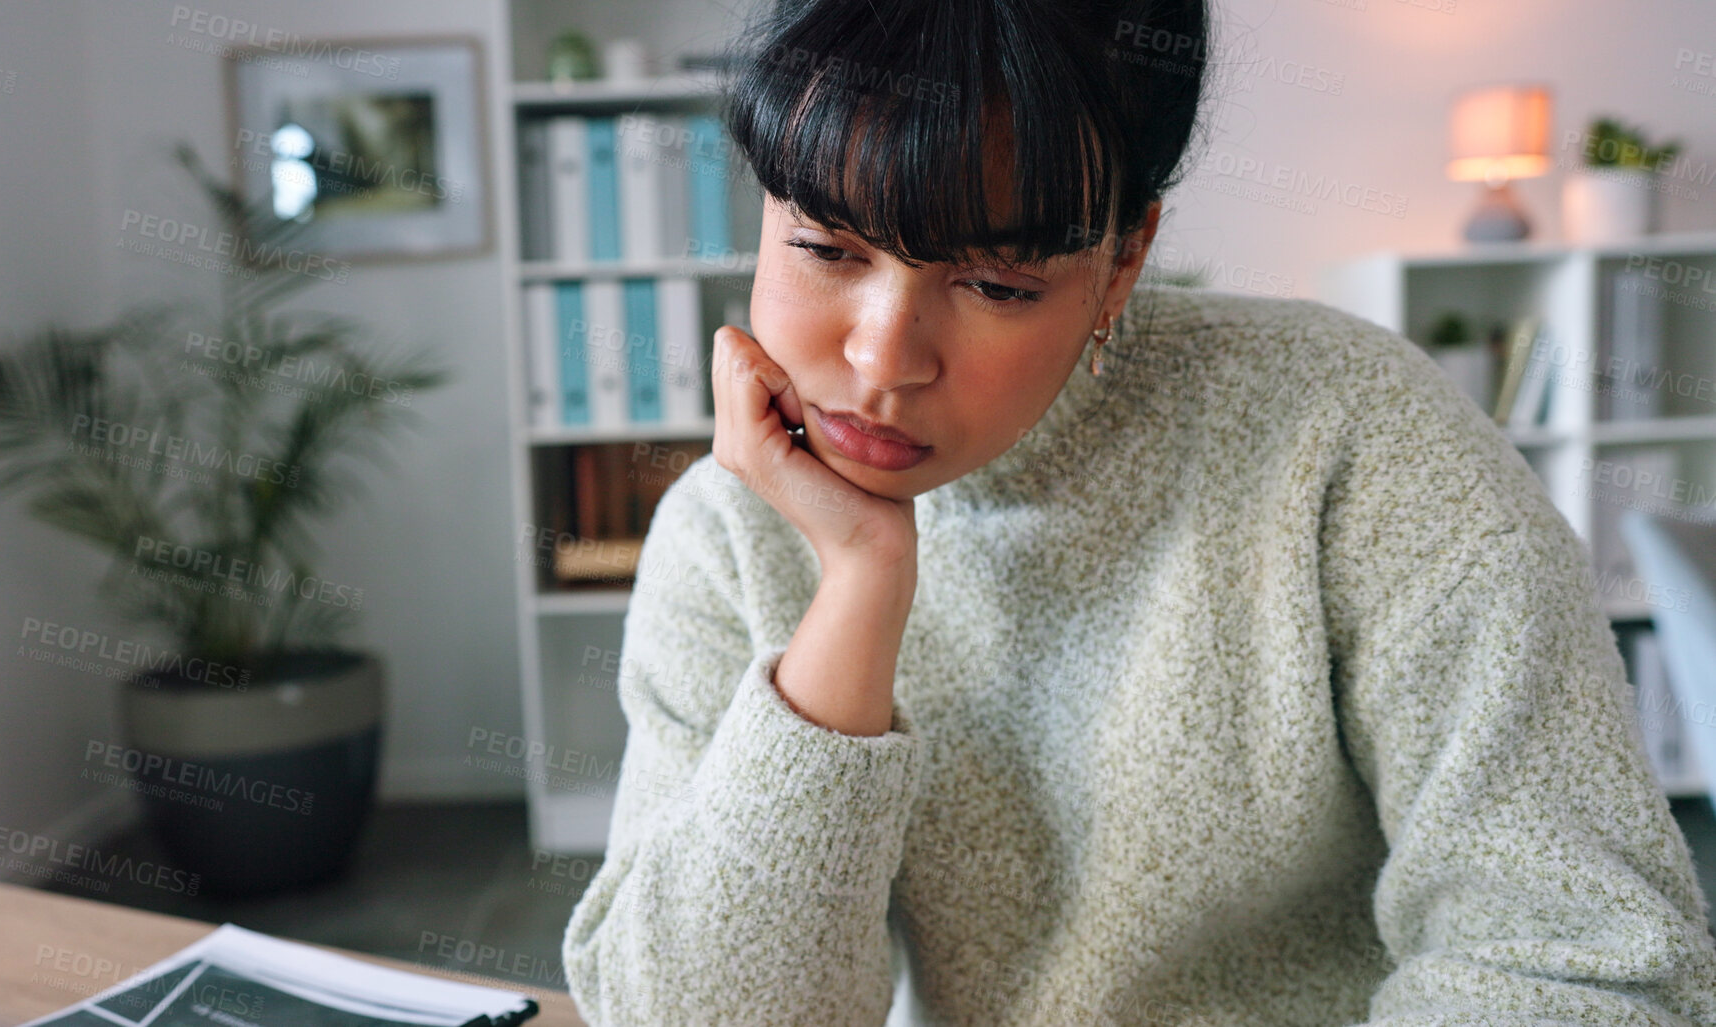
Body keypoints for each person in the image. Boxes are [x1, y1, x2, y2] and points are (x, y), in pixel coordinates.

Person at [561, 0, 1716, 1023]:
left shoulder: (1354, 436)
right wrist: (856, 592)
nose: (881, 359)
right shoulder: (733, 527)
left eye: (997, 284)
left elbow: (1583, 961)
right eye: (824, 246)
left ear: (1124, 259)